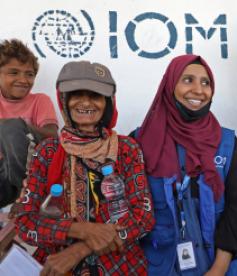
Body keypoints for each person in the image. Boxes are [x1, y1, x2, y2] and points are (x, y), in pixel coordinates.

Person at [15, 61, 155, 275]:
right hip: (58, 267)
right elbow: (25, 221)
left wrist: (81, 248)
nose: (85, 102)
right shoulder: (48, 151)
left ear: (107, 102)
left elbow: (142, 218)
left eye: (95, 96)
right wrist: (81, 229)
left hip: (120, 267)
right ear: (64, 100)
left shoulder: (126, 148)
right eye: (76, 94)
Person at [136, 54, 237, 275]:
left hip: (227, 265)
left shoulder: (227, 143)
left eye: (206, 82)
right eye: (187, 80)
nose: (199, 90)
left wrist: (218, 269)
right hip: (163, 264)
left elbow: (236, 209)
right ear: (170, 85)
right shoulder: (140, 142)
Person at [0, 39, 58, 208]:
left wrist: (19, 126)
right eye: (14, 73)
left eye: (29, 74)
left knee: (10, 128)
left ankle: (26, 196)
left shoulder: (40, 100)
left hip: (33, 173)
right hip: (3, 176)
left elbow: (52, 135)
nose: (23, 80)